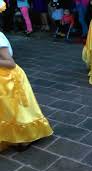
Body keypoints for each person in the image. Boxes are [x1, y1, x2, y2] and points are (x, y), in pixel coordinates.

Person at [0, 2, 53, 151]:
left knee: (16, 109)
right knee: (5, 109)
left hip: (9, 79)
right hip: (2, 78)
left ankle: (25, 136)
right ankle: (9, 134)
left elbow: (10, 63)